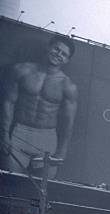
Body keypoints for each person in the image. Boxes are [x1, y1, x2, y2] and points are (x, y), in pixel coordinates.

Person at [0, 35, 78, 178]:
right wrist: (4, 134)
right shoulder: (21, 70)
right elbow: (8, 102)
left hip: (47, 139)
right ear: (49, 47)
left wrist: (62, 150)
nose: (58, 55)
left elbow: (68, 122)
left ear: (67, 60)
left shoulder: (68, 86)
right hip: (20, 133)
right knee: (10, 183)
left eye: (63, 54)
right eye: (56, 49)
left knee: (41, 192)